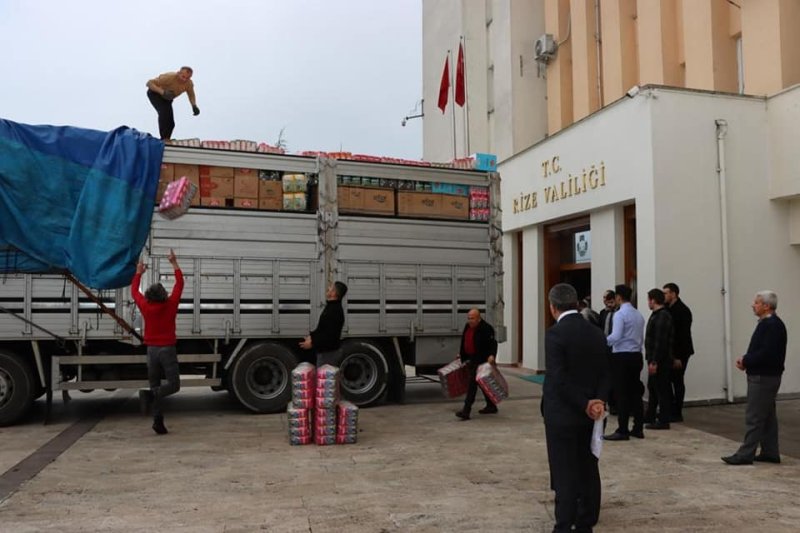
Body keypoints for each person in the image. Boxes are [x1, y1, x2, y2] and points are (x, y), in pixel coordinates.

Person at [542, 283, 609, 532]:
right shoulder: (595, 332)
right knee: (588, 467)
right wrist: (597, 401)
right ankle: (586, 522)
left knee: (564, 471)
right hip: (592, 415)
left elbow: (558, 379)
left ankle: (563, 524)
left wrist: (584, 403)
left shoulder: (555, 335)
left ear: (552, 306)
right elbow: (606, 372)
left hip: (563, 414)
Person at [722, 290, 787, 465]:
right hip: (766, 375)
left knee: (755, 416)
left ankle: (745, 454)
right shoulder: (769, 324)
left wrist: (746, 360)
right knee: (767, 416)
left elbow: (766, 352)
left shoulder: (771, 325)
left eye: (757, 302)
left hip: (763, 377)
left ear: (766, 306)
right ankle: (770, 451)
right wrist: (748, 360)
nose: (753, 304)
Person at [132, 249, 183, 435]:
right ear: (163, 295)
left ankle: (158, 422)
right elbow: (180, 284)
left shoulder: (145, 306)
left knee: (156, 384)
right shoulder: (171, 305)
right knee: (173, 385)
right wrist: (174, 262)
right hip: (167, 350)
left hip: (151, 351)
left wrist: (138, 272)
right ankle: (151, 395)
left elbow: (133, 291)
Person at [604, 284, 646, 441]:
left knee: (621, 393)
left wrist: (602, 342)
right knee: (635, 392)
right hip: (636, 355)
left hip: (621, 356)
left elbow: (615, 336)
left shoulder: (620, 315)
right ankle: (638, 428)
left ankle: (622, 429)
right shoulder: (638, 314)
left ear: (619, 297)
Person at [455, 308, 498, 420]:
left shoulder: (486, 328)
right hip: (472, 359)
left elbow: (493, 343)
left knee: (472, 385)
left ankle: (466, 411)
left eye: (472, 318)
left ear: (479, 318)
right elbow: (464, 340)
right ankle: (491, 406)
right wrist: (461, 354)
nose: (470, 320)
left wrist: (492, 355)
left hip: (482, 360)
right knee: (481, 383)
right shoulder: (467, 326)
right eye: (469, 318)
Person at [663, 282, 694, 422]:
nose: (664, 296)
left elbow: (682, 336)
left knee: (677, 380)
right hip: (670, 352)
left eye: (666, 293)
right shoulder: (668, 309)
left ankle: (676, 411)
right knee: (668, 380)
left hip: (680, 353)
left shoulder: (682, 310)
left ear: (673, 294)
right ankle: (669, 409)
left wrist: (678, 357)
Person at [643, 288, 674, 430]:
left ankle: (664, 419)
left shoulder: (662, 316)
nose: (648, 302)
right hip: (655, 359)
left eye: (649, 299)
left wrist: (654, 361)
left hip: (661, 360)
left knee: (662, 389)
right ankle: (650, 415)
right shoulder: (656, 315)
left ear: (653, 300)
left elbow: (659, 342)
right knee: (653, 388)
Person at [300, 281, 348, 367]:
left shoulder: (334, 311)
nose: (328, 288)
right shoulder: (331, 307)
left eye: (330, 287)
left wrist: (312, 343)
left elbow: (329, 336)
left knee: (324, 379)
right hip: (326, 352)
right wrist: (312, 336)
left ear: (334, 293)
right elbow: (322, 328)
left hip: (329, 354)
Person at [146, 66, 200, 141]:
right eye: (183, 77)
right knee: (164, 113)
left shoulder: (189, 84)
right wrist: (162, 92)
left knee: (171, 123)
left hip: (167, 100)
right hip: (155, 93)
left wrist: (194, 106)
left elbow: (191, 95)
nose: (184, 80)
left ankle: (166, 139)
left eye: (187, 78)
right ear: (178, 73)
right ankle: (164, 138)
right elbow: (149, 83)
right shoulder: (169, 77)